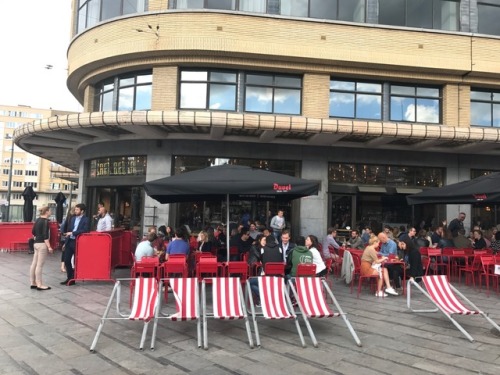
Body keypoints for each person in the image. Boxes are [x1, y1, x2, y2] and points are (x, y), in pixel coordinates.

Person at [61, 203, 90, 286]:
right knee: (66, 260)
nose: (75, 211)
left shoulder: (86, 219)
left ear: (82, 211)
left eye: (77, 210)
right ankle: (69, 277)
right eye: (75, 209)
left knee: (76, 261)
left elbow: (85, 230)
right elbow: (69, 229)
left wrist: (73, 233)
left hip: (78, 242)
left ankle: (73, 278)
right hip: (69, 241)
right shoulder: (73, 218)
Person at [30, 206, 54, 291]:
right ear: (46, 212)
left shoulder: (37, 220)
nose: (51, 212)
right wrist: (49, 247)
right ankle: (39, 284)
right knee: (39, 265)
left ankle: (33, 282)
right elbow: (45, 235)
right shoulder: (45, 222)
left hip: (36, 244)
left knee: (34, 264)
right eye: (50, 211)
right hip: (42, 245)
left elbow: (33, 232)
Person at [59, 206, 75, 273]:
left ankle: (63, 266)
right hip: (68, 236)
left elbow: (63, 226)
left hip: (65, 236)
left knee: (64, 251)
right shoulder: (72, 217)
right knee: (66, 251)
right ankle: (65, 266)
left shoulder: (68, 217)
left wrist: (63, 233)